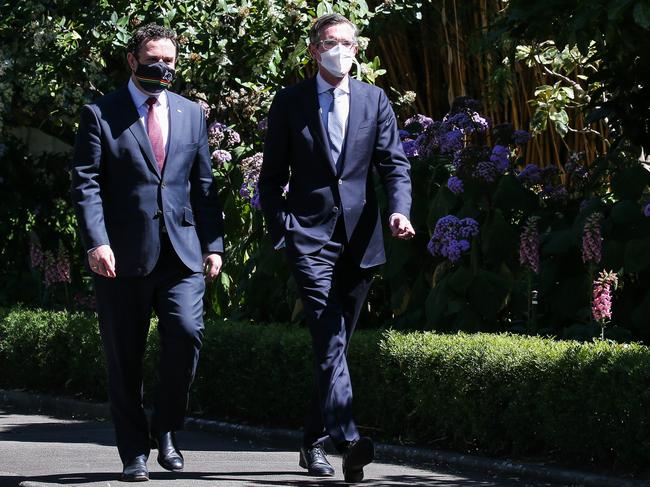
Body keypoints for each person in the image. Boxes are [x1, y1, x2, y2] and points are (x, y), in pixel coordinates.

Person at [258, 13, 414, 484]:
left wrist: (400, 210)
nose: (340, 50)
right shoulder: (290, 102)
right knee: (328, 335)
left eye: (348, 42)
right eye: (331, 42)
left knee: (335, 343)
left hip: (360, 239)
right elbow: (271, 179)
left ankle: (311, 441)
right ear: (313, 50)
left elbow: (395, 164)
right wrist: (282, 229)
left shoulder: (373, 99)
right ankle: (347, 439)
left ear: (357, 49)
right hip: (308, 237)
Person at [70, 23, 224, 482]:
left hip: (181, 253)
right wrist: (97, 241)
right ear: (133, 60)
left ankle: (168, 428)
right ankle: (133, 452)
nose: (163, 67)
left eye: (171, 60)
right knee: (125, 357)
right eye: (154, 58)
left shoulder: (191, 113)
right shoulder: (100, 114)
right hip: (122, 256)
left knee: (187, 333)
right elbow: (87, 184)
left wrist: (213, 244)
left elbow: (204, 186)